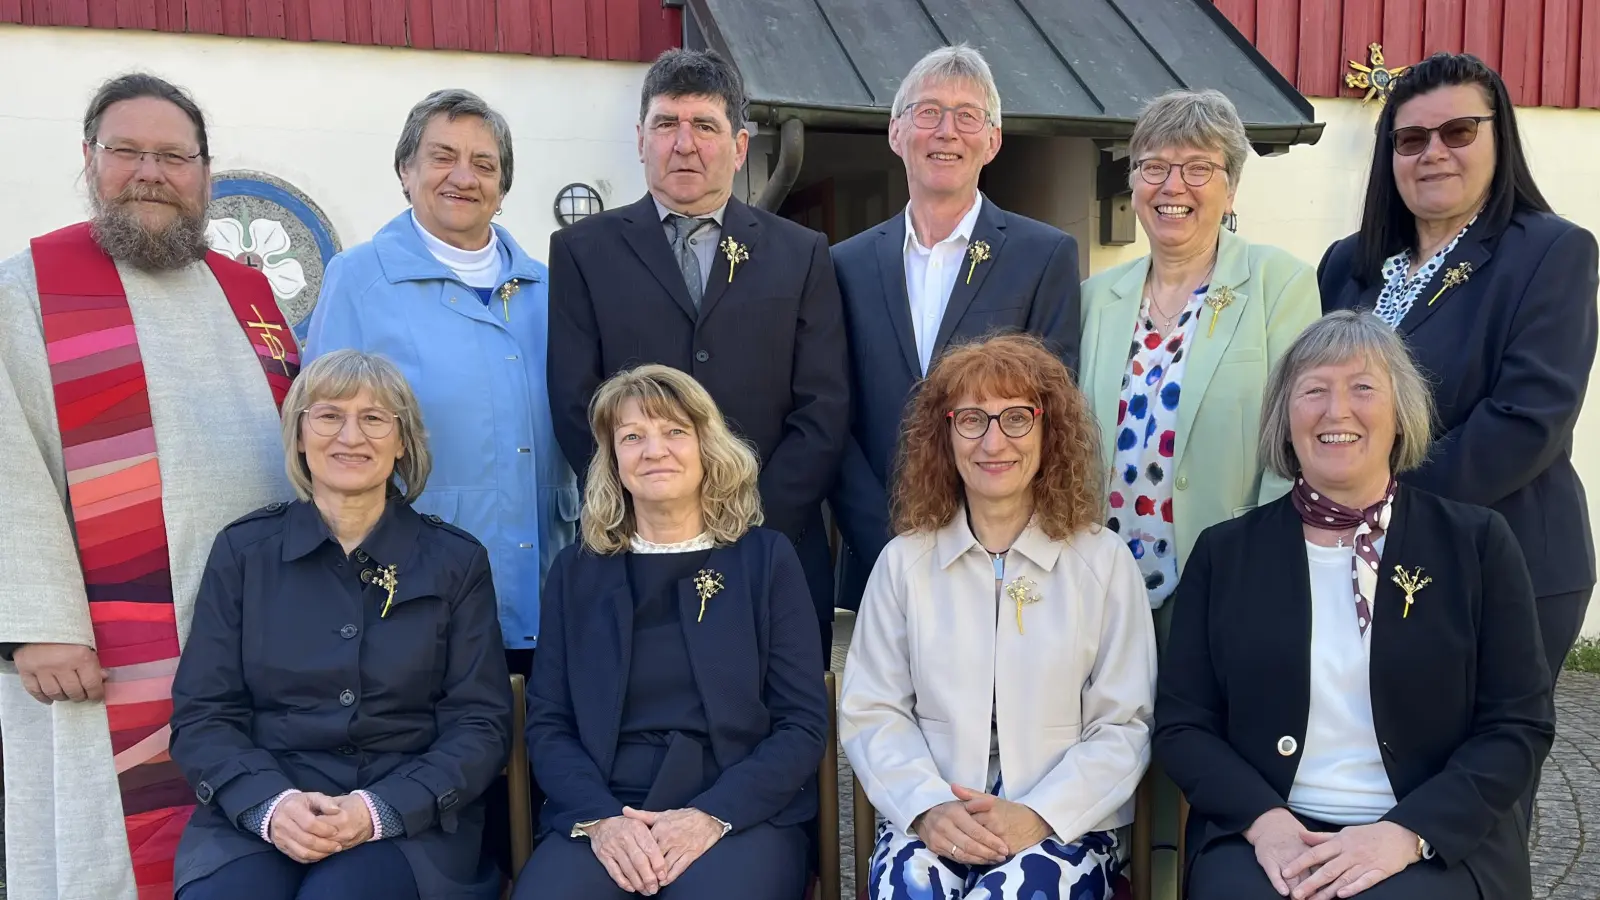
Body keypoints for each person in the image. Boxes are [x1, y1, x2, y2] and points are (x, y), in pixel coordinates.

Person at [0, 74, 298, 900]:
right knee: (114, 856)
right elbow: (3, 461)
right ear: (88, 160)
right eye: (126, 151)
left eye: (174, 156)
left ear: (206, 172)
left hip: (251, 631)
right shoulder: (28, 287)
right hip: (104, 642)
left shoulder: (249, 292)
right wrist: (37, 623)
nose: (150, 172)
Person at [1156, 311, 1554, 900]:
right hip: (1266, 836)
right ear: (1284, 420)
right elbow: (1183, 725)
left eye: (1363, 388)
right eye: (1313, 390)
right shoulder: (1225, 553)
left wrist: (1406, 833)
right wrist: (1265, 823)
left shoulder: (1477, 544)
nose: (1336, 411)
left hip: (1429, 842)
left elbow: (1517, 725)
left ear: (1400, 416)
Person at [168, 350, 512, 899]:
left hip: (410, 820)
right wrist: (271, 805)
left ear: (402, 442)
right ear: (300, 435)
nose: (350, 436)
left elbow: (480, 723)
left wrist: (378, 811)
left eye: (374, 418)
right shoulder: (244, 552)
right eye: (329, 416)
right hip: (261, 810)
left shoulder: (455, 561)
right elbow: (204, 713)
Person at [547, 48, 848, 656]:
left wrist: (746, 517)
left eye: (704, 126)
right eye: (666, 124)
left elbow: (825, 405)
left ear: (738, 146)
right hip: (634, 546)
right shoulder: (582, 252)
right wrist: (647, 513)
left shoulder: (803, 252)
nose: (684, 145)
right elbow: (575, 400)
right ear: (640, 140)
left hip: (774, 540)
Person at [840, 334, 1155, 899]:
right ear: (944, 435)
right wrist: (926, 807)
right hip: (936, 809)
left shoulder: (1104, 563)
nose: (993, 442)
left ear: (1048, 430)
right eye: (970, 420)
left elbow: (1124, 724)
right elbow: (874, 711)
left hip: (1065, 821)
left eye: (1016, 418)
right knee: (912, 887)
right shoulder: (904, 563)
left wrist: (1038, 813)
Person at [1319, 52, 1597, 694]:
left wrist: (1381, 504)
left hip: (1503, 557)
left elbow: (1527, 421)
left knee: (1485, 774)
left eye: (1459, 132)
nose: (1433, 153)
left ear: (1500, 137)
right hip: (1368, 556)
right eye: (1411, 139)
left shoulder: (1551, 251)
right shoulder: (1347, 266)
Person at [517, 364, 827, 900]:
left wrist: (714, 814)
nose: (654, 450)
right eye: (632, 437)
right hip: (607, 806)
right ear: (613, 460)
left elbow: (800, 723)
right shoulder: (576, 571)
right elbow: (549, 723)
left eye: (675, 432)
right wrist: (601, 820)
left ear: (708, 447)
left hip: (739, 808)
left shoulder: (766, 560)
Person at [306, 89, 575, 679]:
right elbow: (321, 438)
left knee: (540, 756)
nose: (464, 177)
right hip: (412, 585)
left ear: (503, 187)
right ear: (406, 170)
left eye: (484, 164)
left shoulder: (551, 288)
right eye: (442, 157)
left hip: (552, 579)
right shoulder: (359, 279)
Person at [830, 44, 1081, 615]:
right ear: (897, 133)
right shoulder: (843, 265)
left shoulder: (1044, 257)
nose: (947, 131)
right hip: (876, 553)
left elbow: (1052, 410)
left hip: (1003, 553)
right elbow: (831, 416)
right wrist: (888, 538)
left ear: (991, 141)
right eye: (927, 113)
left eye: (968, 116)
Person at [1079, 88, 1320, 633]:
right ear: (1134, 182)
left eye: (1197, 168)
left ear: (1231, 189)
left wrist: (1268, 563)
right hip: (1101, 589)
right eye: (1154, 166)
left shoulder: (1279, 284)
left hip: (1225, 581)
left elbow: (1299, 440)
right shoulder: (1095, 298)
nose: (1172, 186)